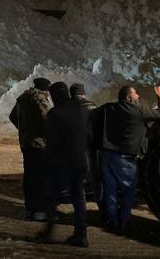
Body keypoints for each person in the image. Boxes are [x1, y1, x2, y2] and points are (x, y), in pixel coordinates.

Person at [97, 85, 160, 234]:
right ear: (129, 97)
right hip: (125, 158)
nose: (138, 97)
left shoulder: (107, 108)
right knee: (128, 190)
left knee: (110, 190)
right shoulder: (138, 111)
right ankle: (123, 222)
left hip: (106, 155)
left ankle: (112, 220)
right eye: (136, 94)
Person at [42, 81, 90, 247]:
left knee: (52, 197)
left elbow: (50, 139)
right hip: (79, 161)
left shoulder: (55, 113)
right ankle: (81, 234)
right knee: (79, 198)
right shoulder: (81, 109)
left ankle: (48, 231)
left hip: (59, 163)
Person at [9, 77, 53, 221]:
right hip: (38, 143)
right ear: (45, 89)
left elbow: (12, 116)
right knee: (40, 177)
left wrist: (23, 129)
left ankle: (29, 208)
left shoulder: (23, 98)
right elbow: (47, 120)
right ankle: (39, 210)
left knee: (29, 175)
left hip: (26, 143)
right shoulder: (39, 98)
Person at [70, 83, 103, 220]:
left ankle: (80, 212)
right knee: (96, 180)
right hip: (91, 147)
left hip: (73, 149)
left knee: (77, 182)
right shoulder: (93, 106)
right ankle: (102, 209)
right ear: (83, 93)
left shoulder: (66, 107)